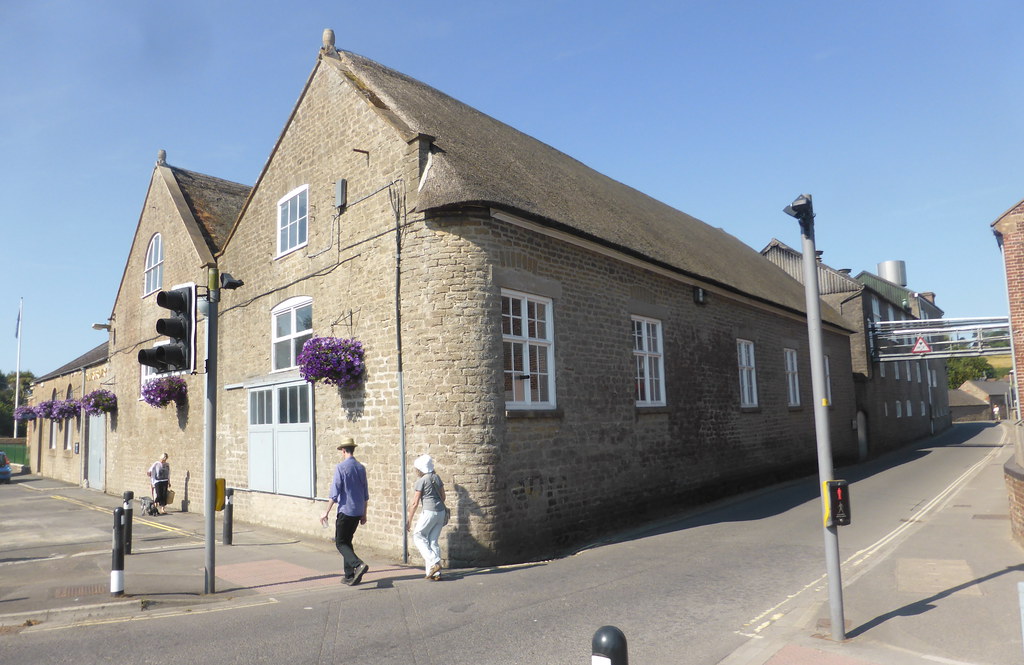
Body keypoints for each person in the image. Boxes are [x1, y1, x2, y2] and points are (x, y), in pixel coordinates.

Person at [321, 437, 370, 586]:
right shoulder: (361, 468)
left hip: (345, 511)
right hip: (357, 511)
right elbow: (365, 493)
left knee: (340, 542)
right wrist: (364, 513)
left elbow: (334, 493)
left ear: (343, 451)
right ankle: (349, 576)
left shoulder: (340, 468)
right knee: (347, 541)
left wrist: (326, 512)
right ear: (352, 450)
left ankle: (358, 564)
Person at [407, 454, 447, 581]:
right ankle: (435, 573)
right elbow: (443, 496)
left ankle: (434, 562)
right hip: (441, 513)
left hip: (429, 512)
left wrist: (409, 520)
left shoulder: (422, 481)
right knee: (433, 541)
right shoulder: (437, 477)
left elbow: (415, 502)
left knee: (418, 535)